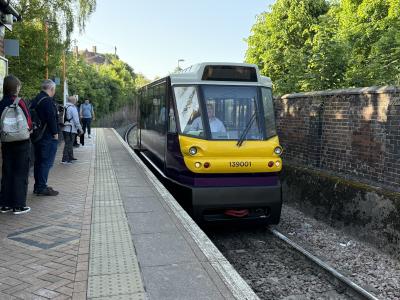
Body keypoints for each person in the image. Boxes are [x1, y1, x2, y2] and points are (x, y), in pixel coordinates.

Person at [0, 75, 32, 214]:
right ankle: (19, 205)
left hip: (6, 141)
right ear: (16, 88)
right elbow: (28, 121)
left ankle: (5, 204)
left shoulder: (1, 103)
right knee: (20, 172)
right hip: (21, 141)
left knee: (7, 171)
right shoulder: (19, 102)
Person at [30, 79, 59, 196]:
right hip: (46, 136)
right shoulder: (47, 101)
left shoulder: (36, 99)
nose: (54, 92)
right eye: (54, 90)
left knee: (39, 161)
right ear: (51, 89)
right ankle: (42, 187)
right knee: (46, 162)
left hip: (37, 135)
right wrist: (55, 133)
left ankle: (38, 186)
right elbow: (51, 118)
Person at [61, 96, 82, 164]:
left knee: (68, 143)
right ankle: (65, 159)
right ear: (73, 101)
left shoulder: (65, 107)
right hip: (70, 129)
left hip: (65, 128)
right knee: (69, 144)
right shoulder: (73, 108)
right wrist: (80, 129)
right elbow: (76, 120)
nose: (76, 101)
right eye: (75, 100)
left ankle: (70, 157)